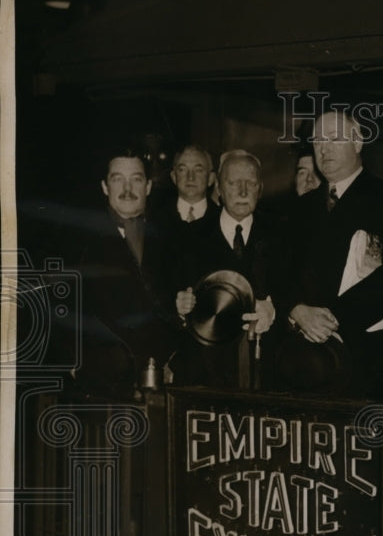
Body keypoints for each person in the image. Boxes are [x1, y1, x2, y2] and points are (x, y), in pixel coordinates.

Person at [286, 108, 383, 401]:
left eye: (334, 138)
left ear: (358, 143)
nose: (324, 149)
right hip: (307, 360)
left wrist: (335, 317)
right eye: (318, 141)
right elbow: (280, 269)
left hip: (371, 360)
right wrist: (297, 309)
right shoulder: (298, 208)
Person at [73, 148, 179, 397]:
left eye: (137, 179)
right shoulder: (79, 239)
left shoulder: (171, 238)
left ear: (149, 186)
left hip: (160, 381)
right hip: (100, 381)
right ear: (104, 187)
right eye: (117, 178)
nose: (127, 188)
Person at [172, 149, 281, 388]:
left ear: (260, 188)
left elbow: (295, 295)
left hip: (265, 376)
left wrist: (275, 311)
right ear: (219, 189)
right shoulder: (188, 237)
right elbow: (168, 299)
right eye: (233, 183)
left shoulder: (282, 236)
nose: (242, 191)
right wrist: (179, 308)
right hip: (204, 376)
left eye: (250, 183)